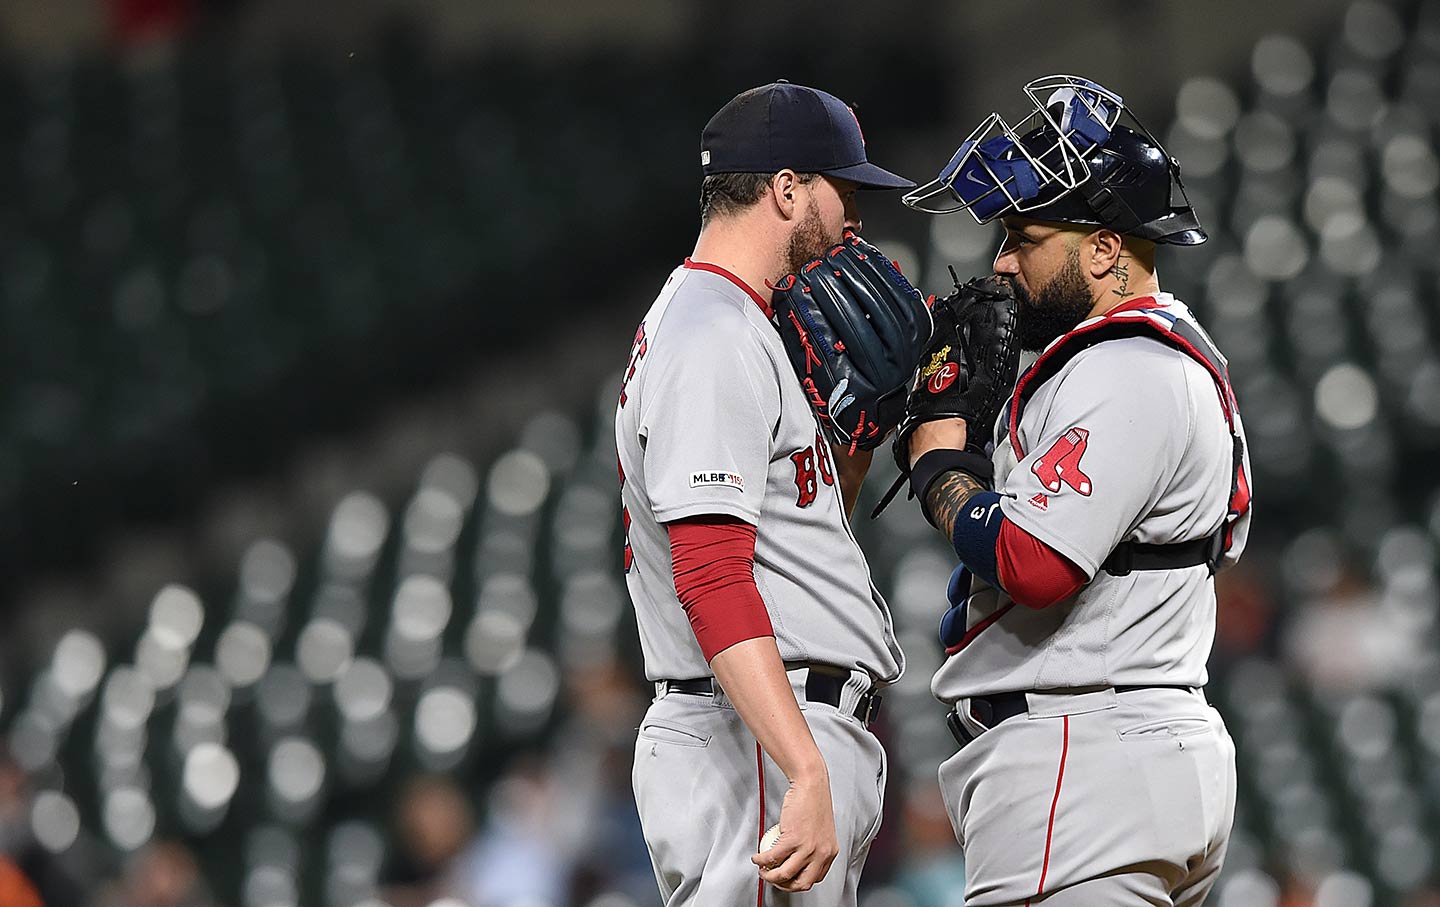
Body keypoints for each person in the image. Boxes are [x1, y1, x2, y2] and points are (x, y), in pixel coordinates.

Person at [901, 75, 1254, 905]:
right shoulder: (1151, 357)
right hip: (1125, 746)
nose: (1002, 259)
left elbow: (1032, 563)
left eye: (1025, 236)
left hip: (1086, 760)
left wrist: (937, 460)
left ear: (1103, 248)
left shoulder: (1127, 370)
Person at [615, 81, 912, 904]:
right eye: (842, 193)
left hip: (766, 728)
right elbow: (710, 575)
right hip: (753, 736)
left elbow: (788, 544)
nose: (855, 221)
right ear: (787, 189)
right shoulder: (711, 334)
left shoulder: (744, 322)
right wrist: (804, 767)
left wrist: (857, 442)